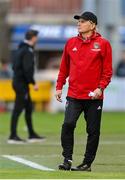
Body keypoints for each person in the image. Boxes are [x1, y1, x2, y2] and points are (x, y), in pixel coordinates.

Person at [55, 12, 112, 171]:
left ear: (92, 25)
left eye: (83, 21)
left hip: (94, 98)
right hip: (73, 95)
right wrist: (59, 86)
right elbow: (63, 68)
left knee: (93, 131)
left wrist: (100, 88)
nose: (79, 24)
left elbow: (107, 72)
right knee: (68, 124)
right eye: (78, 21)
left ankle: (87, 163)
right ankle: (67, 159)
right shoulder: (70, 43)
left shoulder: (103, 44)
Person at [8, 29, 45, 144]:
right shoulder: (28, 51)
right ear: (33, 38)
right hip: (21, 84)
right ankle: (12, 136)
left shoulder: (19, 48)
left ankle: (31, 134)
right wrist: (33, 83)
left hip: (18, 82)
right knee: (17, 109)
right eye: (36, 37)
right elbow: (27, 69)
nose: (37, 39)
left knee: (28, 108)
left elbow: (14, 66)